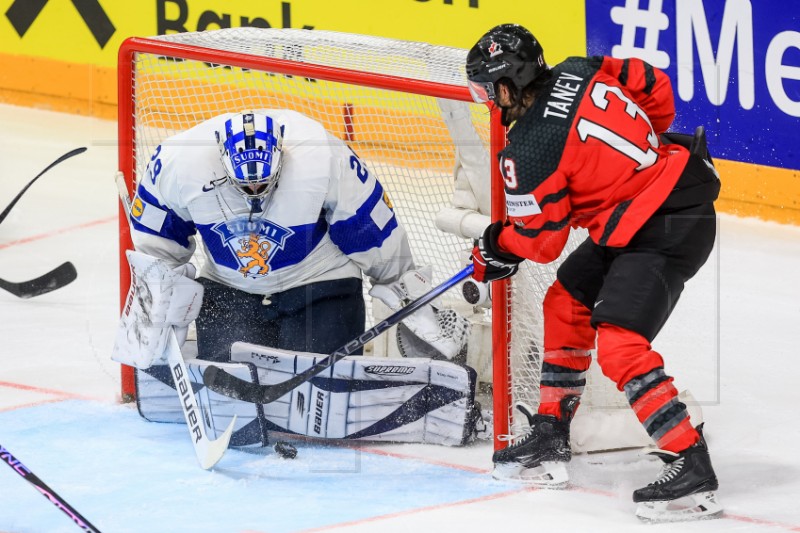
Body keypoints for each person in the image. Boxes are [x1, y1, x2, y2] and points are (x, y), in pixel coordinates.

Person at [465, 24, 722, 521]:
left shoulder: (529, 149)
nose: (489, 105)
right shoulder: (581, 68)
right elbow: (657, 89)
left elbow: (542, 243)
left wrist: (498, 244)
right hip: (654, 204)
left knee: (621, 344)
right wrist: (633, 162)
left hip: (665, 225)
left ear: (506, 86)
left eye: (486, 92)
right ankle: (550, 433)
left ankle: (690, 462)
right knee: (565, 302)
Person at [112, 109, 479, 448]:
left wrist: (409, 298)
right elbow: (158, 249)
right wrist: (156, 317)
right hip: (230, 286)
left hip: (319, 283)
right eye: (247, 187)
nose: (256, 194)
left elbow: (375, 234)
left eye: (263, 184)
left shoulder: (322, 157)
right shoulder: (179, 162)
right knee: (231, 390)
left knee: (317, 398)